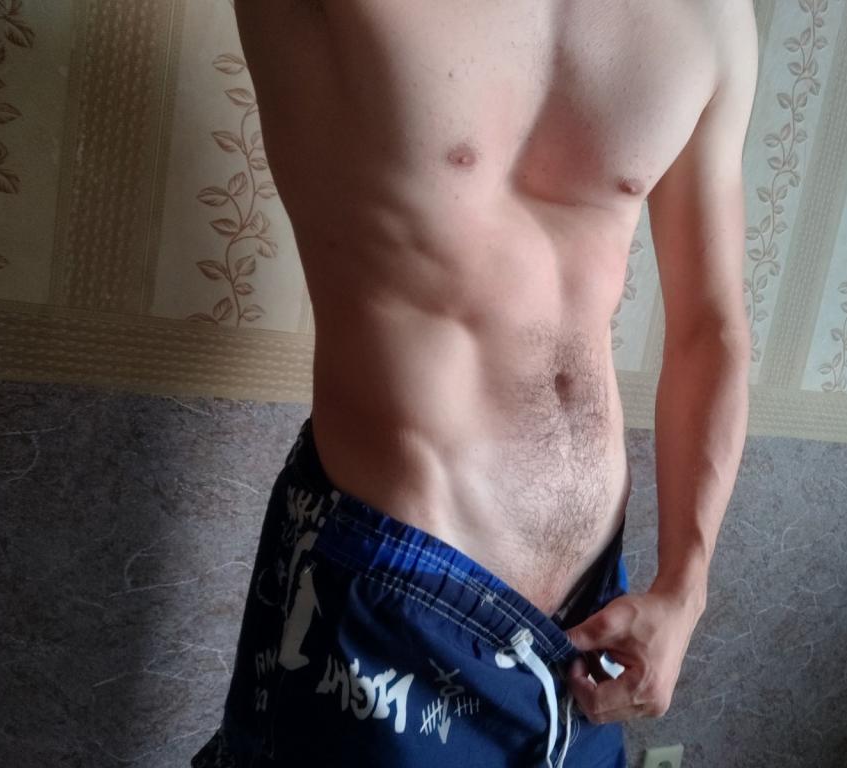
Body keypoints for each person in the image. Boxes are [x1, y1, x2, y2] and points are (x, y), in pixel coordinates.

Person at [192, 1, 757, 766]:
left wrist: (685, 587)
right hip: (391, 597)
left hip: (588, 624)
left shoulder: (712, 16)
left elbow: (710, 327)